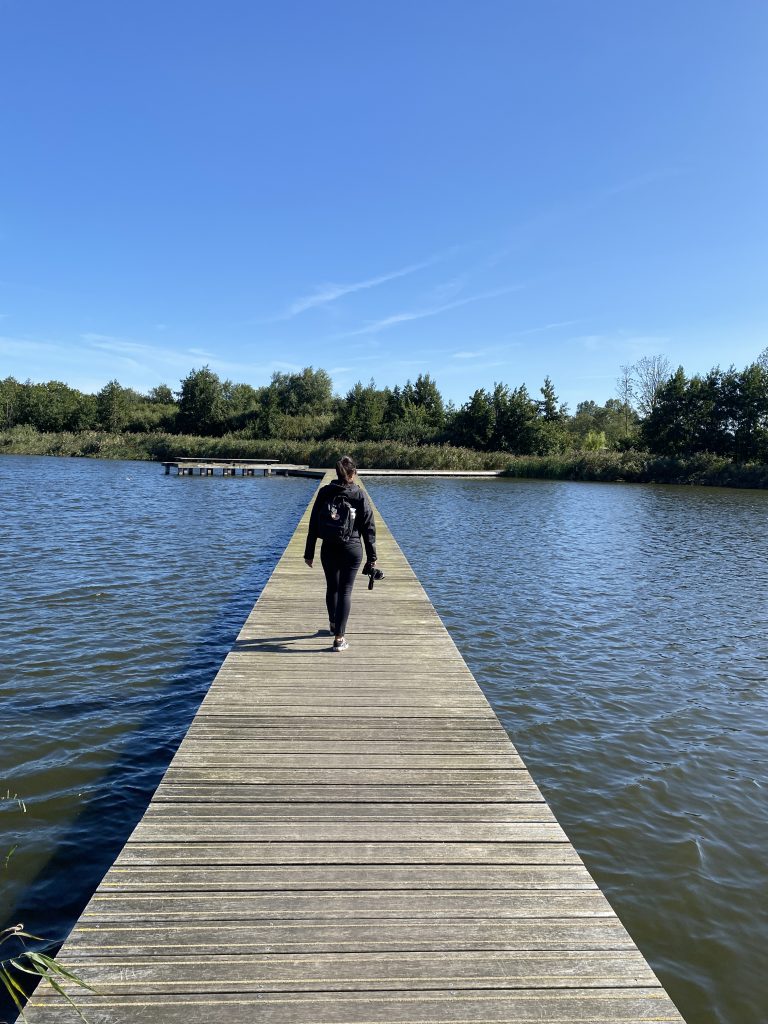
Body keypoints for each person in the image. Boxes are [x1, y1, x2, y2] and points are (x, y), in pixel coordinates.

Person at [304, 456, 377, 652]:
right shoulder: (359, 495)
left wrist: (308, 552)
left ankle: (333, 624)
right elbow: (369, 528)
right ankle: (339, 639)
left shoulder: (324, 492)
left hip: (328, 547)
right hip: (352, 548)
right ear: (353, 474)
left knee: (332, 587)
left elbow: (313, 524)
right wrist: (372, 558)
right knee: (345, 590)